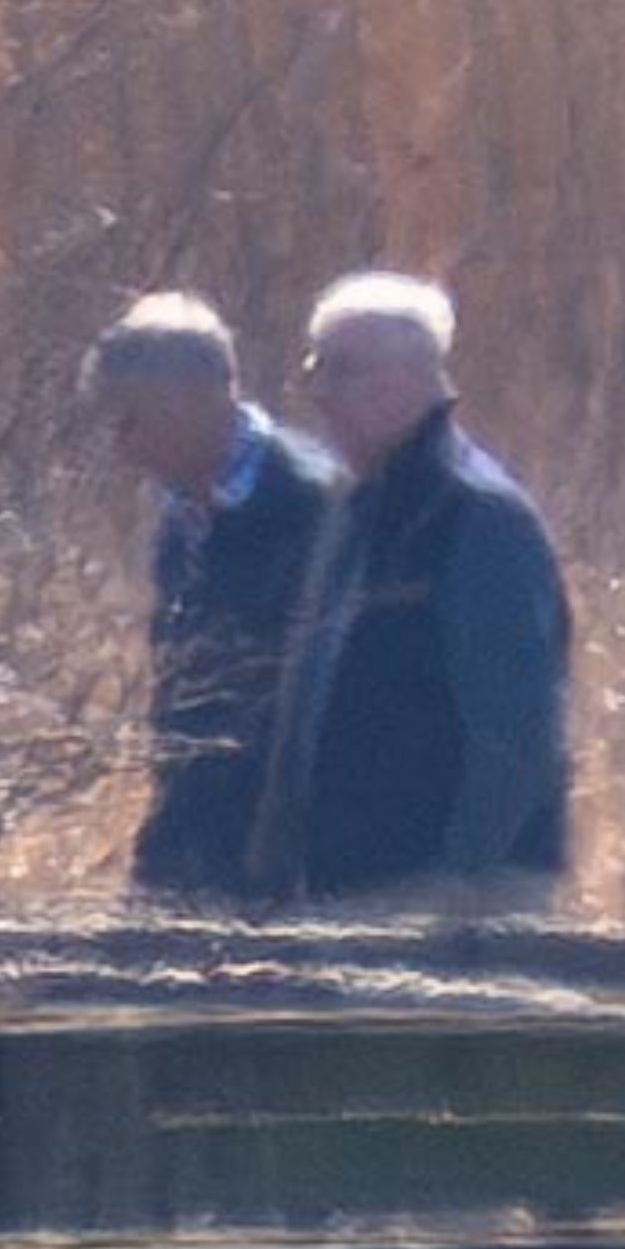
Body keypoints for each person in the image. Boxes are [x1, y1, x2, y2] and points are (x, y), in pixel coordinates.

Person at [248, 271, 572, 904]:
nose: (319, 392)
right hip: (348, 882)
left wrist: (458, 878)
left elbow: (518, 729)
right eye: (316, 368)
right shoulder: (358, 509)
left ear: (408, 379)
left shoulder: (475, 515)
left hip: (446, 894)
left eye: (341, 370)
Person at [77, 292, 336, 901]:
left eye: (130, 422)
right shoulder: (181, 516)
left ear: (193, 401)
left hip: (307, 849)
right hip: (202, 834)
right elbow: (187, 701)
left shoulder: (316, 505)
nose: (120, 448)